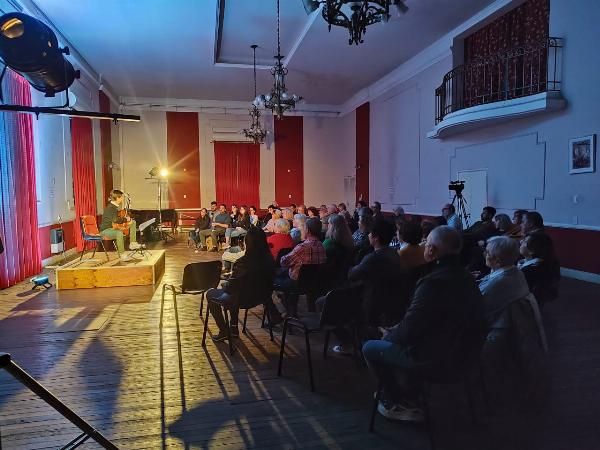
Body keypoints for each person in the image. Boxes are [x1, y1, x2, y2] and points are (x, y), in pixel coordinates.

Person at [363, 226, 485, 422]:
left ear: (431, 250)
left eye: (426, 244)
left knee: (370, 347)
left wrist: (390, 336)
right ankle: (411, 392)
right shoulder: (467, 278)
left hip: (434, 359)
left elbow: (411, 328)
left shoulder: (432, 282)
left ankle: (396, 400)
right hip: (466, 356)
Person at [206, 227, 276, 342]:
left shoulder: (243, 262)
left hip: (243, 299)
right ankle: (233, 328)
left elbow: (231, 287)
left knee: (211, 294)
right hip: (262, 296)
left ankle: (224, 330)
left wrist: (225, 284)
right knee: (236, 291)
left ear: (247, 242)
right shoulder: (270, 259)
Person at [348, 219, 403, 326]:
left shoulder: (372, 258)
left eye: (370, 233)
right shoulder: (395, 253)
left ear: (376, 238)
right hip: (389, 301)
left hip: (371, 302)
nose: (368, 235)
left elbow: (352, 275)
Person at [478, 236, 530, 332]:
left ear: (497, 261)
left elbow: (474, 304)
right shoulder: (515, 270)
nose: (484, 254)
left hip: (492, 327)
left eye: (487, 252)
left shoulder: (498, 281)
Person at [277, 218, 326, 316]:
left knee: (276, 277)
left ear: (307, 230)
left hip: (297, 282)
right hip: (314, 281)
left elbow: (284, 262)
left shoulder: (303, 247)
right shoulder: (321, 245)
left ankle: (290, 311)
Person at [518, 232, 560, 305]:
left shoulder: (529, 271)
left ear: (532, 251)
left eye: (525, 242)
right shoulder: (546, 262)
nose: (520, 241)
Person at [99, 189, 141, 261]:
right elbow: (115, 220)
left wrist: (126, 222)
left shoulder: (114, 207)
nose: (122, 199)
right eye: (121, 197)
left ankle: (132, 243)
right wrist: (126, 219)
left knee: (133, 222)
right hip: (105, 230)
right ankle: (122, 254)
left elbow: (115, 220)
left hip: (113, 227)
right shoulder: (111, 207)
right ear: (117, 198)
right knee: (119, 233)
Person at [323, 214, 355, 287]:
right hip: (344, 277)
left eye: (329, 224)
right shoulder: (350, 241)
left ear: (333, 227)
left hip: (330, 278)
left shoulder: (329, 243)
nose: (328, 226)